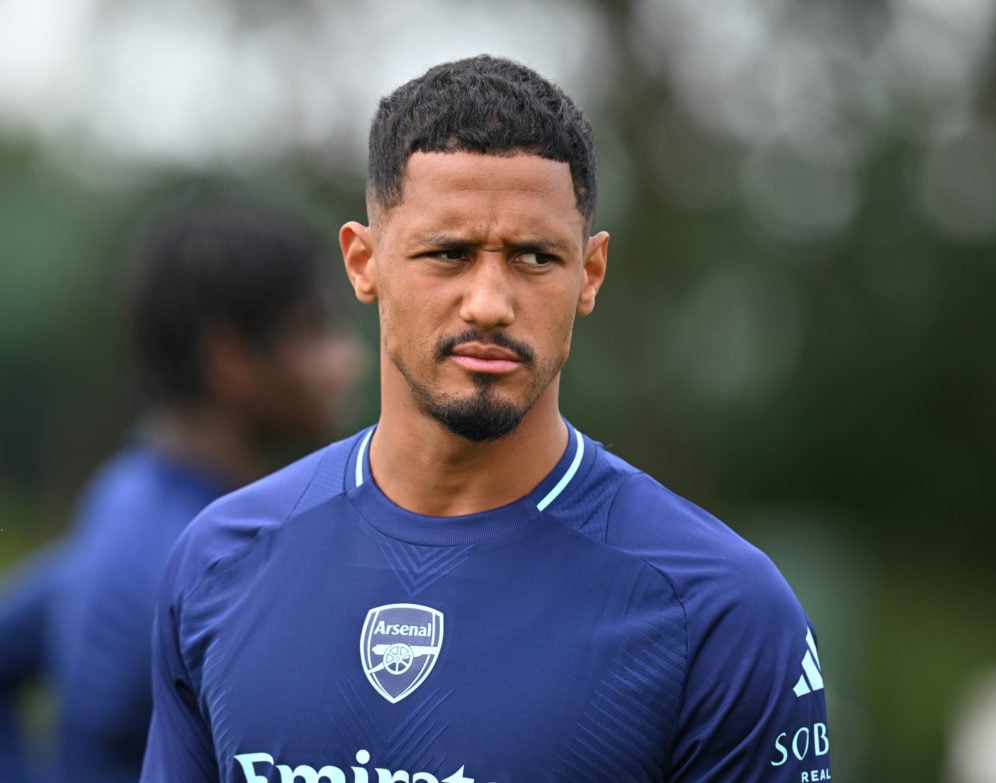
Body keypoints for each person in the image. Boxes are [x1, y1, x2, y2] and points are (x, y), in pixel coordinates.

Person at [141, 56, 831, 782]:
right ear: (363, 262)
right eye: (449, 253)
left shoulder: (721, 611)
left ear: (589, 274)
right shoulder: (218, 562)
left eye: (535, 256)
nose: (490, 302)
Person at [0, 202, 365, 783]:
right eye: (313, 331)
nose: (347, 360)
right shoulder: (204, 565)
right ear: (231, 359)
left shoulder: (125, 494)